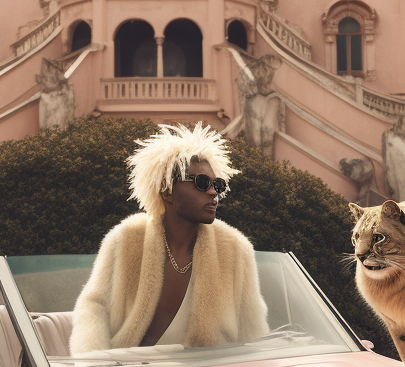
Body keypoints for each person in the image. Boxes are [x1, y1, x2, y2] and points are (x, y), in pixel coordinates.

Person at [70, 123, 268, 352]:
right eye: (202, 183)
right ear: (167, 191)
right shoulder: (126, 240)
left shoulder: (236, 250)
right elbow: (93, 307)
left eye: (217, 185)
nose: (213, 192)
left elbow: (253, 332)